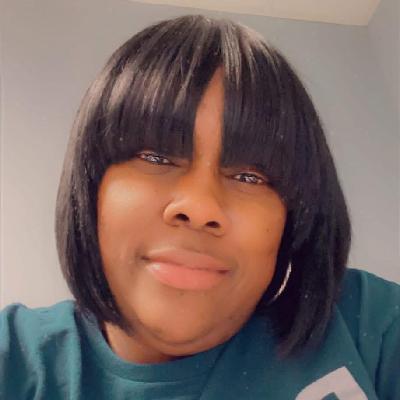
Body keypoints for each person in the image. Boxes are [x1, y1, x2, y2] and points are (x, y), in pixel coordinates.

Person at [0, 14, 399, 400]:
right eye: (155, 157)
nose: (200, 206)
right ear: (91, 189)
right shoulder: (16, 360)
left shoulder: (371, 324)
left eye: (250, 177)